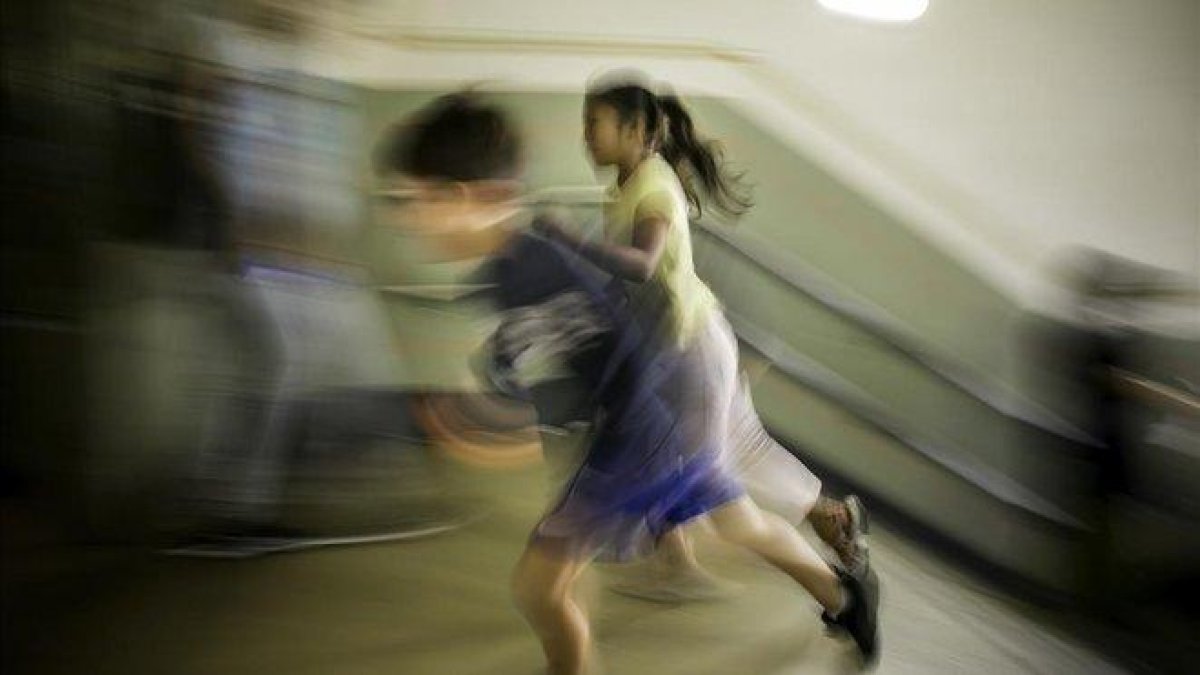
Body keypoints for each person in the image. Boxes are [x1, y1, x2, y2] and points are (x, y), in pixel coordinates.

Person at [375, 92, 879, 674]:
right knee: (737, 523)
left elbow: (619, 334)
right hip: (659, 421)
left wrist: (516, 424)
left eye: (414, 202)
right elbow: (544, 352)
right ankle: (846, 599)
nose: (406, 219)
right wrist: (496, 404)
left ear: (464, 197)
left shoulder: (542, 259)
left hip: (642, 434)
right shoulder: (506, 269)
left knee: (541, 587)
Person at [533, 72, 870, 595]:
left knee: (698, 475)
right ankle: (828, 523)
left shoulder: (652, 183)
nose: (585, 136)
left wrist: (569, 239)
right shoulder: (627, 183)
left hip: (692, 352)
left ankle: (825, 584)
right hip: (688, 345)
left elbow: (642, 263)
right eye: (584, 124)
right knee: (731, 451)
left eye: (594, 123)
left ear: (635, 128)